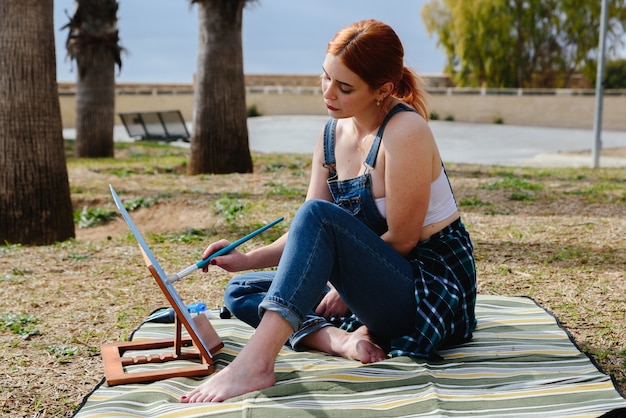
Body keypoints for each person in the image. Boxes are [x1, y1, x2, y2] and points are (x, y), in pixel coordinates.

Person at [181, 19, 477, 404]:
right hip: (367, 286)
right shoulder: (330, 136)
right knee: (242, 291)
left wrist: (341, 285)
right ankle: (338, 340)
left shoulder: (405, 131)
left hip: (424, 289)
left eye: (344, 86)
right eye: (325, 77)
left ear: (383, 90)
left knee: (317, 218)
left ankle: (256, 362)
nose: (328, 93)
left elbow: (403, 239)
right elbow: (309, 234)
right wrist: (248, 259)